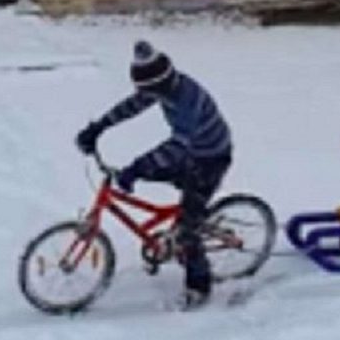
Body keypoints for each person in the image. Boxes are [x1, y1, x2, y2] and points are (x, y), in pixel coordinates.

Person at [76, 40, 232, 308]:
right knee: (151, 173)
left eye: (152, 91)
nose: (149, 95)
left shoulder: (187, 99)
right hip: (190, 154)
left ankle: (199, 285)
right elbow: (132, 106)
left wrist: (137, 167)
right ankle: (186, 216)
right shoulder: (162, 88)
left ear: (163, 82)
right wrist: (99, 127)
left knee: (187, 230)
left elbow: (177, 146)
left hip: (210, 158)